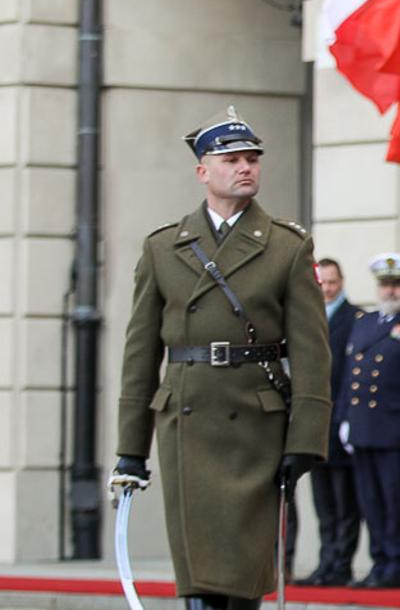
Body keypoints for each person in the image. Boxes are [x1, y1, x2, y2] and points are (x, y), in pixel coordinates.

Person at [111, 107, 331, 610]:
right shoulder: (164, 246)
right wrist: (131, 449)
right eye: (232, 158)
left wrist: (306, 440)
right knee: (199, 574)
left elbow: (313, 352)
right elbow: (141, 354)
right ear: (202, 171)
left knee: (243, 575)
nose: (246, 167)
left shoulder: (286, 246)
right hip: (187, 420)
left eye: (253, 158)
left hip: (255, 424)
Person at [337, 253, 400, 589]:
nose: (391, 291)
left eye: (397, 284)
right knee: (370, 502)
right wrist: (345, 418)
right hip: (364, 425)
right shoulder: (364, 322)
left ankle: (397, 567)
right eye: (385, 284)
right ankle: (379, 562)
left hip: (397, 429)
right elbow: (350, 375)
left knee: (397, 502)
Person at [296, 259, 364, 587]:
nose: (328, 288)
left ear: (342, 281)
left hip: (341, 421)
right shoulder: (306, 317)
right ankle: (326, 562)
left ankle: (341, 564)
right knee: (322, 502)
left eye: (333, 282)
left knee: (345, 502)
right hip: (314, 424)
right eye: (322, 283)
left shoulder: (355, 319)